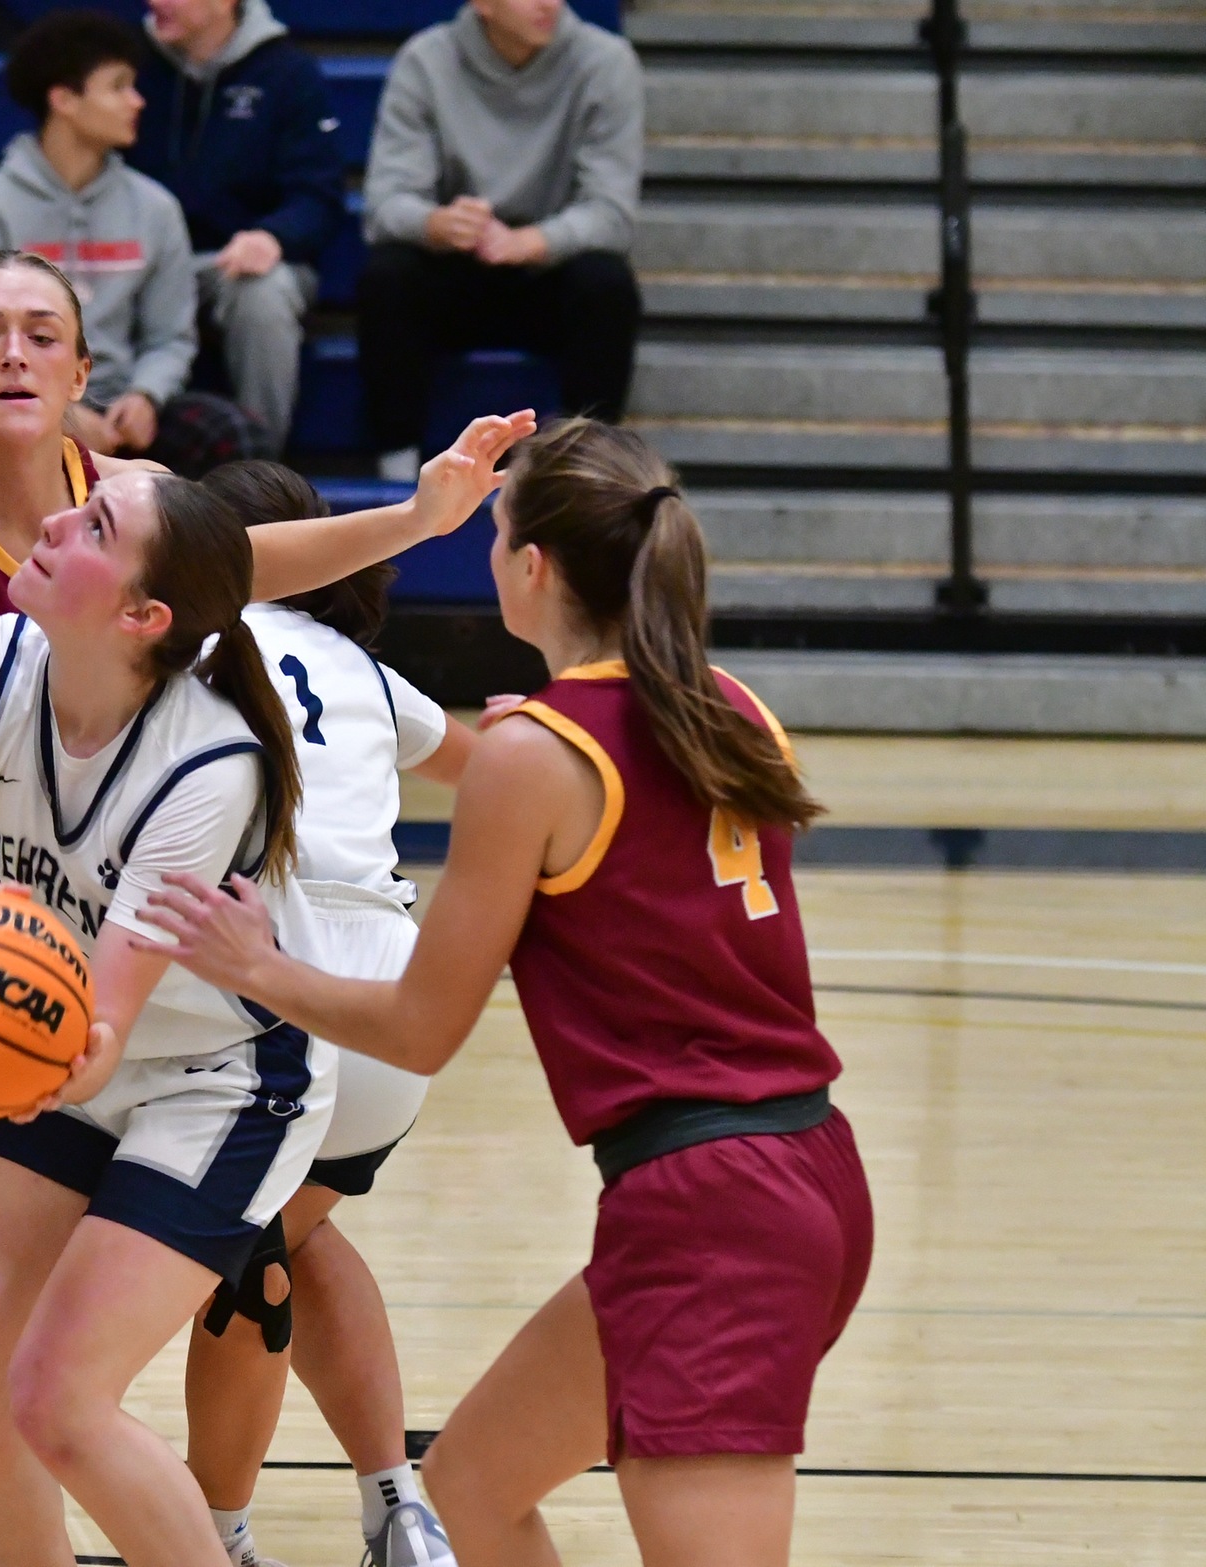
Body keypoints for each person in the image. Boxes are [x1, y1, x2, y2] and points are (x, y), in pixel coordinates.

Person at [0, 247, 530, 1567]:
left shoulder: (209, 764)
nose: (52, 524)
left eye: (88, 526)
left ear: (140, 614)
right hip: (72, 1050)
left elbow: (100, 1031)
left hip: (212, 1079)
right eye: (68, 514)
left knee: (59, 1399)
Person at [139, 420, 872, 1567]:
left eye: (492, 535)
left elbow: (423, 1027)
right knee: (469, 1490)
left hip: (707, 1196)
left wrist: (257, 967)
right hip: (799, 1170)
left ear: (531, 568)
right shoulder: (730, 703)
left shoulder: (534, 751)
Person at [182, 460, 472, 1567]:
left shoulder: (181, 647)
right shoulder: (365, 670)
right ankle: (397, 1504)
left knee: (242, 1257)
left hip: (277, 986)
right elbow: (496, 770)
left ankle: (209, 1536)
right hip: (391, 1005)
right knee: (299, 1232)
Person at [0, 10, 258, 477]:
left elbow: (170, 337)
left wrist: (146, 396)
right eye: (118, 87)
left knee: (232, 433)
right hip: (24, 399)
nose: (137, 102)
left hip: (122, 406)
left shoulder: (155, 208)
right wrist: (61, 413)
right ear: (65, 99)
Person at [359, 0, 643, 483]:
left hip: (549, 270)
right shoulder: (426, 60)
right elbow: (385, 205)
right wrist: (438, 223)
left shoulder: (606, 61)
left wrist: (532, 241)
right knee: (388, 275)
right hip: (457, 267)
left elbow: (612, 214)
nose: (549, 4)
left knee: (608, 285)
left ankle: (590, 476)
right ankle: (397, 477)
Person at [129, 0, 342, 458]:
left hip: (232, 263)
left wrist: (273, 236)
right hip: (140, 260)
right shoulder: (129, 65)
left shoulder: (288, 72)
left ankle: (261, 475)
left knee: (264, 293)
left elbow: (318, 195)